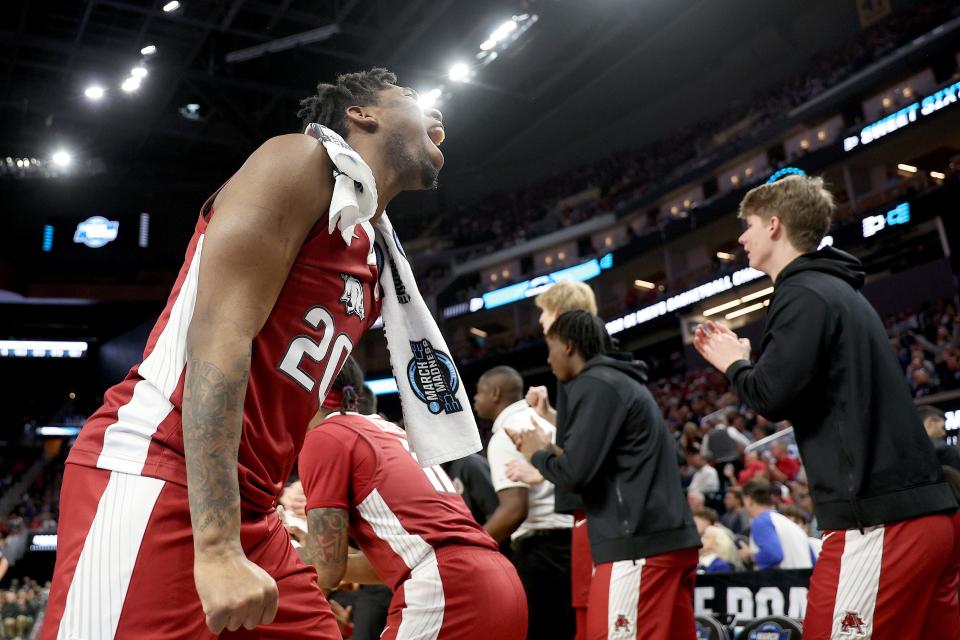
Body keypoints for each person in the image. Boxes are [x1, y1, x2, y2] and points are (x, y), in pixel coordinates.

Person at [43, 68, 448, 639]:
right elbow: (218, 339)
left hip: (252, 508)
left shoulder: (375, 254)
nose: (439, 119)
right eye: (414, 100)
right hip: (159, 475)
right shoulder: (299, 162)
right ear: (363, 114)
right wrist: (215, 548)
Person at [694, 174, 960, 638]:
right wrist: (751, 363)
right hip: (925, 518)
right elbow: (803, 385)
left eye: (749, 225)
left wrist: (733, 365)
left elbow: (769, 397)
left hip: (878, 522)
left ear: (775, 225)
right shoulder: (837, 291)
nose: (741, 237)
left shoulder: (799, 293)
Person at [295, 358, 528, 640]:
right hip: (500, 582)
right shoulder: (391, 431)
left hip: (447, 585)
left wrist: (282, 553)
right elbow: (394, 559)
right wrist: (329, 561)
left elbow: (325, 571)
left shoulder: (325, 437)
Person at [511, 311, 701, 640]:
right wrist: (551, 450)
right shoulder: (619, 380)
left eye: (550, 347)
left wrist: (536, 454)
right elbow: (601, 461)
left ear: (568, 346)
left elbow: (575, 474)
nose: (548, 358)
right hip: (666, 541)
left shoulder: (595, 383)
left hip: (638, 546)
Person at [522, 280, 600, 640]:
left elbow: (584, 454)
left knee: (594, 615)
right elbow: (582, 435)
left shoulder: (588, 373)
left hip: (596, 516)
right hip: (585, 516)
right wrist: (551, 415)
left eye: (544, 312)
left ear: (562, 315)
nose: (540, 321)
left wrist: (537, 460)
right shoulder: (586, 373)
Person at [474, 365, 574, 639]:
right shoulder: (544, 421)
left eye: (478, 392)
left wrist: (472, 545)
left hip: (541, 551)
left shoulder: (507, 433)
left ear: (494, 393)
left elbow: (514, 509)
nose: (475, 399)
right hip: (570, 542)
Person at [738, 479, 813, 570]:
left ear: (748, 499)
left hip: (785, 582)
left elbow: (774, 554)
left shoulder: (762, 521)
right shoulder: (788, 523)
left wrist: (749, 556)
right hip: (804, 581)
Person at [919, 405, 960, 470]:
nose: (944, 433)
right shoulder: (944, 450)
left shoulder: (904, 449)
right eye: (942, 427)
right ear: (929, 422)